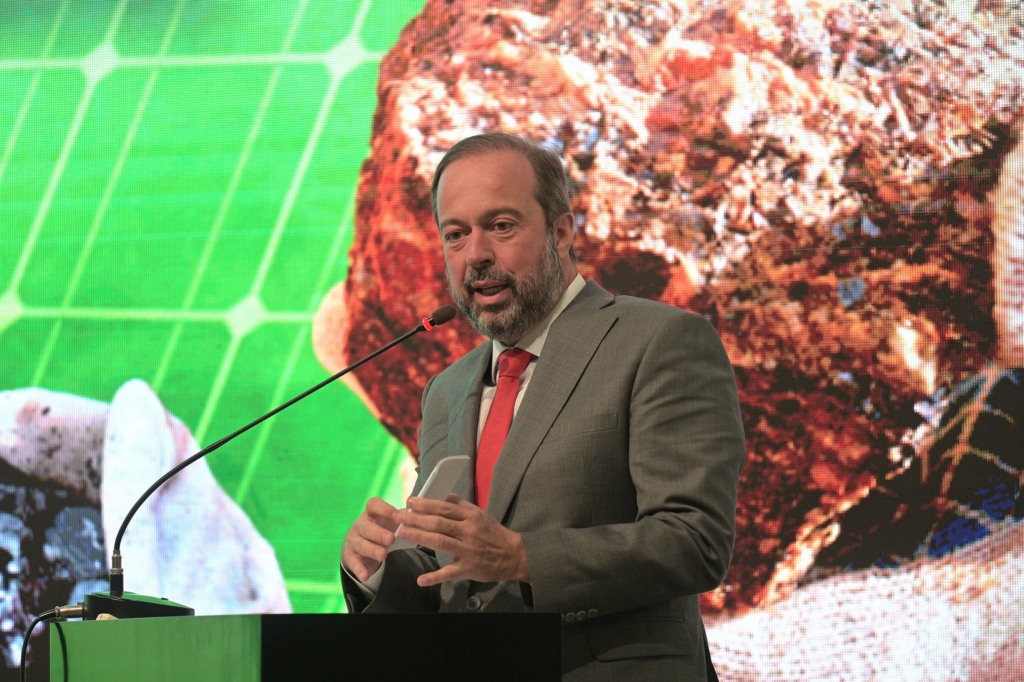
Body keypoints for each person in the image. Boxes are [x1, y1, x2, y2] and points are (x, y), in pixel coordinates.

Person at [341, 131, 746, 680]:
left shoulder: (659, 340)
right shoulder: (446, 390)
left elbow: (694, 541)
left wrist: (523, 558)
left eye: (501, 226)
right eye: (455, 235)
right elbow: (448, 565)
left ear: (561, 231)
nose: (476, 255)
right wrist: (377, 568)